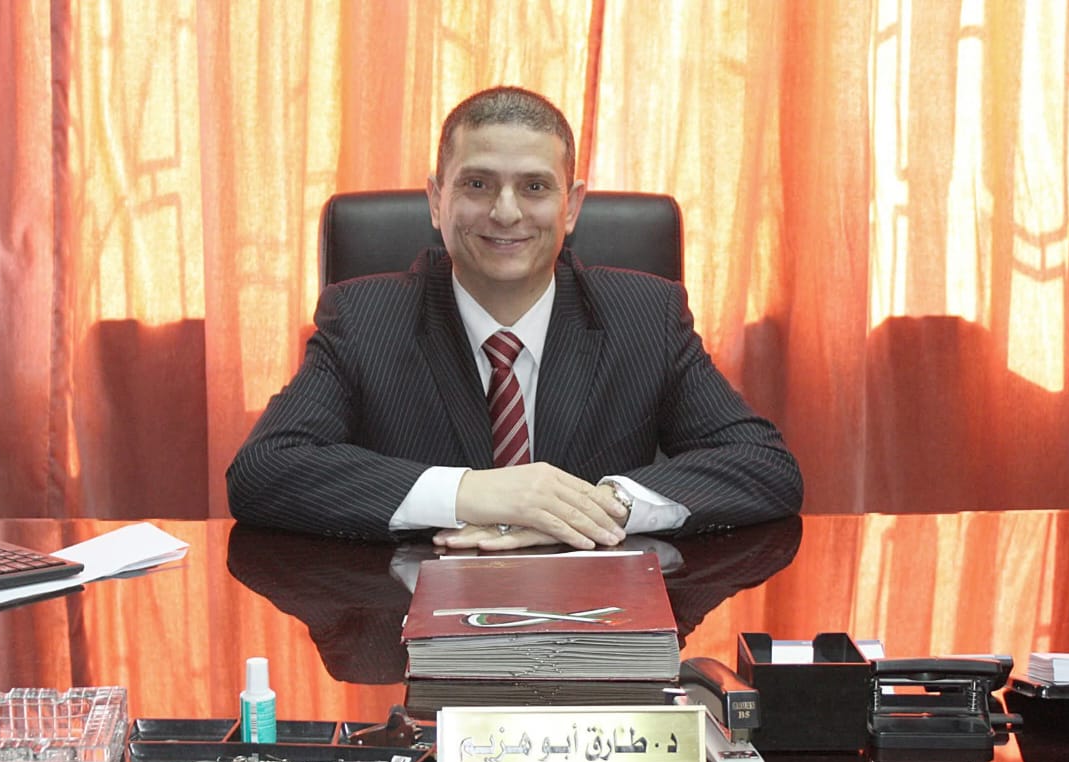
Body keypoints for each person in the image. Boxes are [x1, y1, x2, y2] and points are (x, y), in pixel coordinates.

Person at [227, 86, 802, 550]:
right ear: (436, 200)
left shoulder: (645, 315)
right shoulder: (365, 318)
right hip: (408, 621)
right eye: (477, 185)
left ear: (571, 206)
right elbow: (264, 471)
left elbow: (764, 466)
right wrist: (474, 493)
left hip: (596, 631)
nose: (506, 212)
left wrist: (597, 507)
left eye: (534, 187)